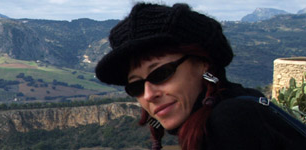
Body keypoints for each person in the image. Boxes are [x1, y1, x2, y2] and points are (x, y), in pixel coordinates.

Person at [94, 3, 306, 150]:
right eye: (136, 86)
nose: (148, 94)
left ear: (203, 64)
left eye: (161, 73)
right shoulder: (239, 101)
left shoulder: (230, 122)